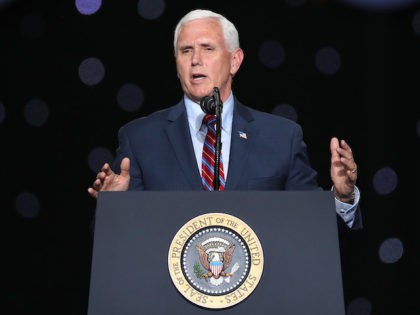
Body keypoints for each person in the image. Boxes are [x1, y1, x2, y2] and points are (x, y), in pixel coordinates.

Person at [87, 9, 362, 230]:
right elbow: (116, 251)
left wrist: (343, 198)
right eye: (185, 51)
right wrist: (113, 209)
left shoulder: (281, 138)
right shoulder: (140, 138)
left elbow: (312, 230)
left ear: (235, 61)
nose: (195, 60)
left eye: (207, 48)